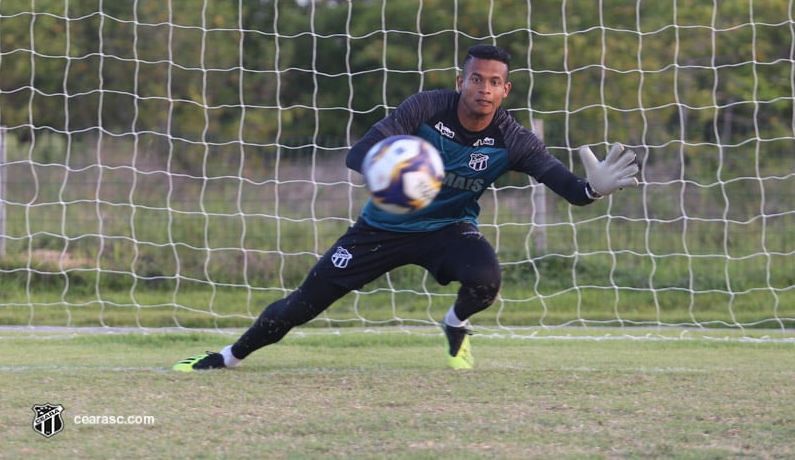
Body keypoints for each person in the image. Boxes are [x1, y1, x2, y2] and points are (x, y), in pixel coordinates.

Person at [173, 44, 639, 371]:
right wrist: (394, 170)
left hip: (448, 229)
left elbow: (572, 190)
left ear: (505, 91)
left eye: (494, 82)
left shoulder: (512, 139)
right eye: (476, 78)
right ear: (462, 81)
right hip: (382, 226)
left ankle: (455, 324)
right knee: (302, 305)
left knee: (486, 281)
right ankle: (228, 357)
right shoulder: (424, 109)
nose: (484, 88)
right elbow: (358, 154)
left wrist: (594, 189)